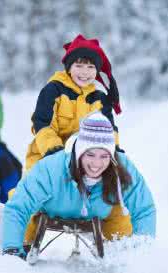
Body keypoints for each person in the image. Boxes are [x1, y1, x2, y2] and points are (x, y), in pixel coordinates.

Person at [0, 112, 156, 259]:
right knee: (11, 228)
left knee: (122, 228)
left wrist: (142, 254)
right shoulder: (52, 168)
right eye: (90, 154)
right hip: (46, 208)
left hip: (98, 210)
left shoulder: (120, 167)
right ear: (79, 151)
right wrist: (12, 249)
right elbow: (19, 207)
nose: (97, 163)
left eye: (104, 156)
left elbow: (144, 209)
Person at [25, 34, 123, 172]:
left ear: (97, 71)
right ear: (69, 68)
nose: (85, 72)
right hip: (47, 157)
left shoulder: (99, 99)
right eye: (79, 66)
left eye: (90, 67)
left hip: (84, 163)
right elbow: (42, 124)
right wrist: (56, 152)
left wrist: (114, 150)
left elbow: (108, 130)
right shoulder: (53, 90)